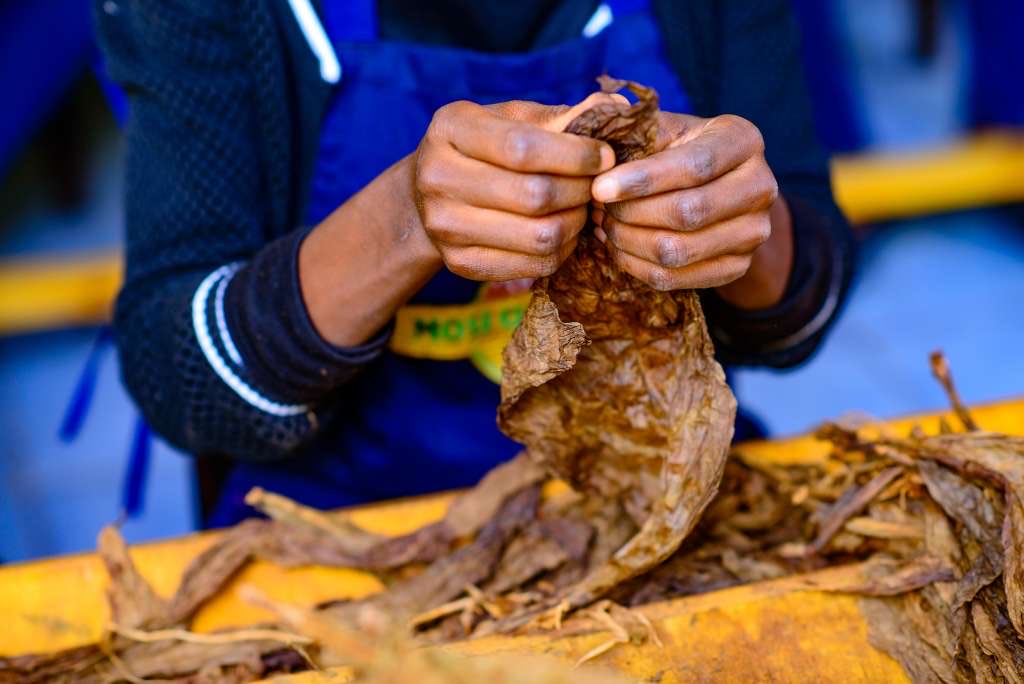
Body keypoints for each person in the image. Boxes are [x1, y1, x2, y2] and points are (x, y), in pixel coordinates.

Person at [96, 0, 854, 526]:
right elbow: (178, 379)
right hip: (342, 523)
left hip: (660, 501)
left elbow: (800, 318)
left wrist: (729, 215)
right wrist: (403, 220)